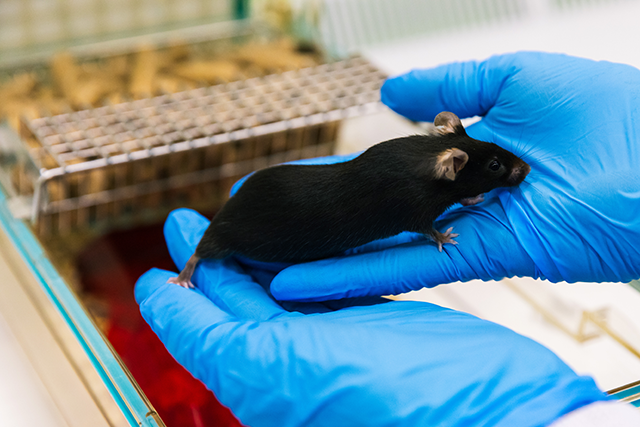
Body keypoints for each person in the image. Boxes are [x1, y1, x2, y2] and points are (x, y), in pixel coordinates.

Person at [135, 52, 640, 426]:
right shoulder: (422, 185)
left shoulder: (435, 160)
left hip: (312, 207)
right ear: (451, 167)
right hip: (289, 217)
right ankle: (198, 261)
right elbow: (415, 212)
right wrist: (436, 230)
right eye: (493, 167)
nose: (512, 171)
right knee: (257, 248)